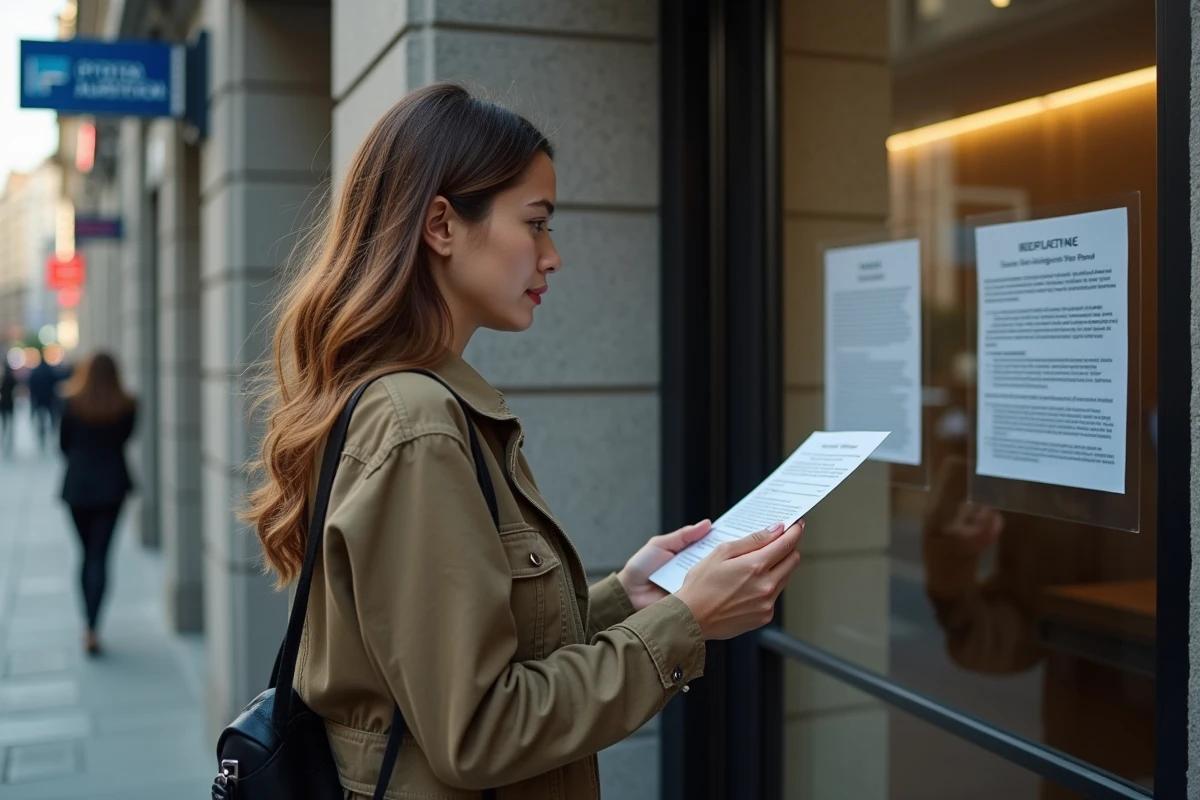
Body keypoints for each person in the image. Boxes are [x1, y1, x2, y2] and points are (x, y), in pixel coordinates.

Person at [244, 82, 804, 799]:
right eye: (536, 223)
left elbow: (464, 661)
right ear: (441, 226)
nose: (553, 257)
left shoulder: (413, 404)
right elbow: (477, 732)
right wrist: (684, 624)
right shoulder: (417, 424)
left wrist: (625, 600)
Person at [59, 352, 137, 656]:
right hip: (111, 488)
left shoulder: (71, 402)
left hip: (77, 488)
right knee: (100, 556)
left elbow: (63, 444)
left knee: (86, 555)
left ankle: (88, 625)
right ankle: (93, 625)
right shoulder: (126, 405)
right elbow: (125, 439)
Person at [29, 354, 63, 450]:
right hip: (50, 399)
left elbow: (31, 385)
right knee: (52, 418)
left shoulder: (36, 372)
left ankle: (42, 436)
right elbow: (57, 383)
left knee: (41, 420)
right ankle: (52, 433)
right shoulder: (51, 371)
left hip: (40, 400)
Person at [0, 362, 16, 456]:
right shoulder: (11, 378)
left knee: (5, 421)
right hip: (9, 402)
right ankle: (9, 437)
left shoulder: (3, 378)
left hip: (3, 403)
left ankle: (5, 435)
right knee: (9, 421)